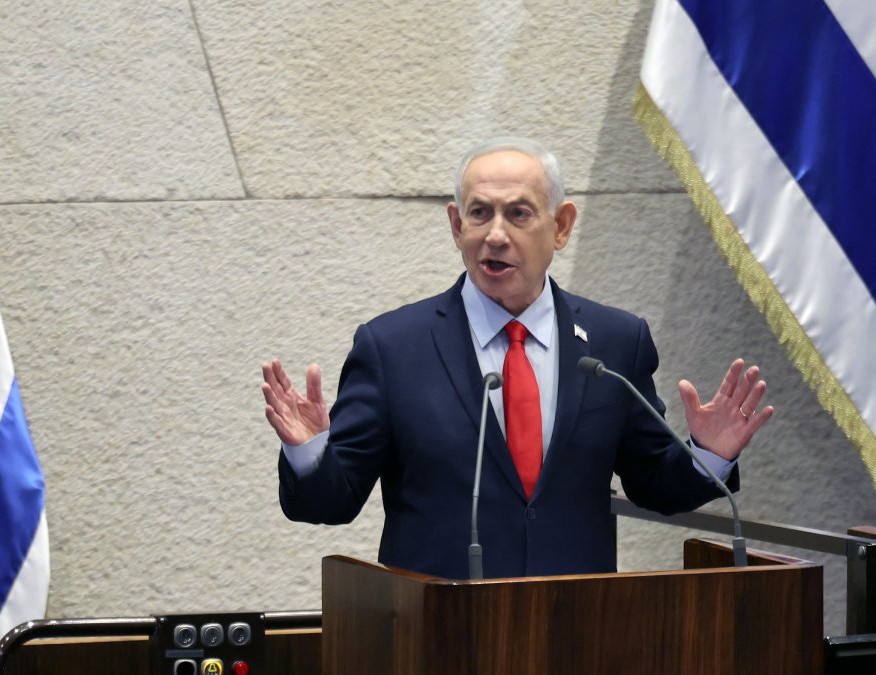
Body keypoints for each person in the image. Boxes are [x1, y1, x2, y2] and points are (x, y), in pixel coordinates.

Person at [260, 137, 773, 579]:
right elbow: (331, 503)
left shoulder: (616, 341)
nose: (496, 234)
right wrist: (309, 453)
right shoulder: (393, 347)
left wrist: (709, 453)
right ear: (457, 226)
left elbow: (655, 483)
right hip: (437, 633)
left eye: (519, 213)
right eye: (479, 213)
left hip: (577, 635)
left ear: (562, 225)